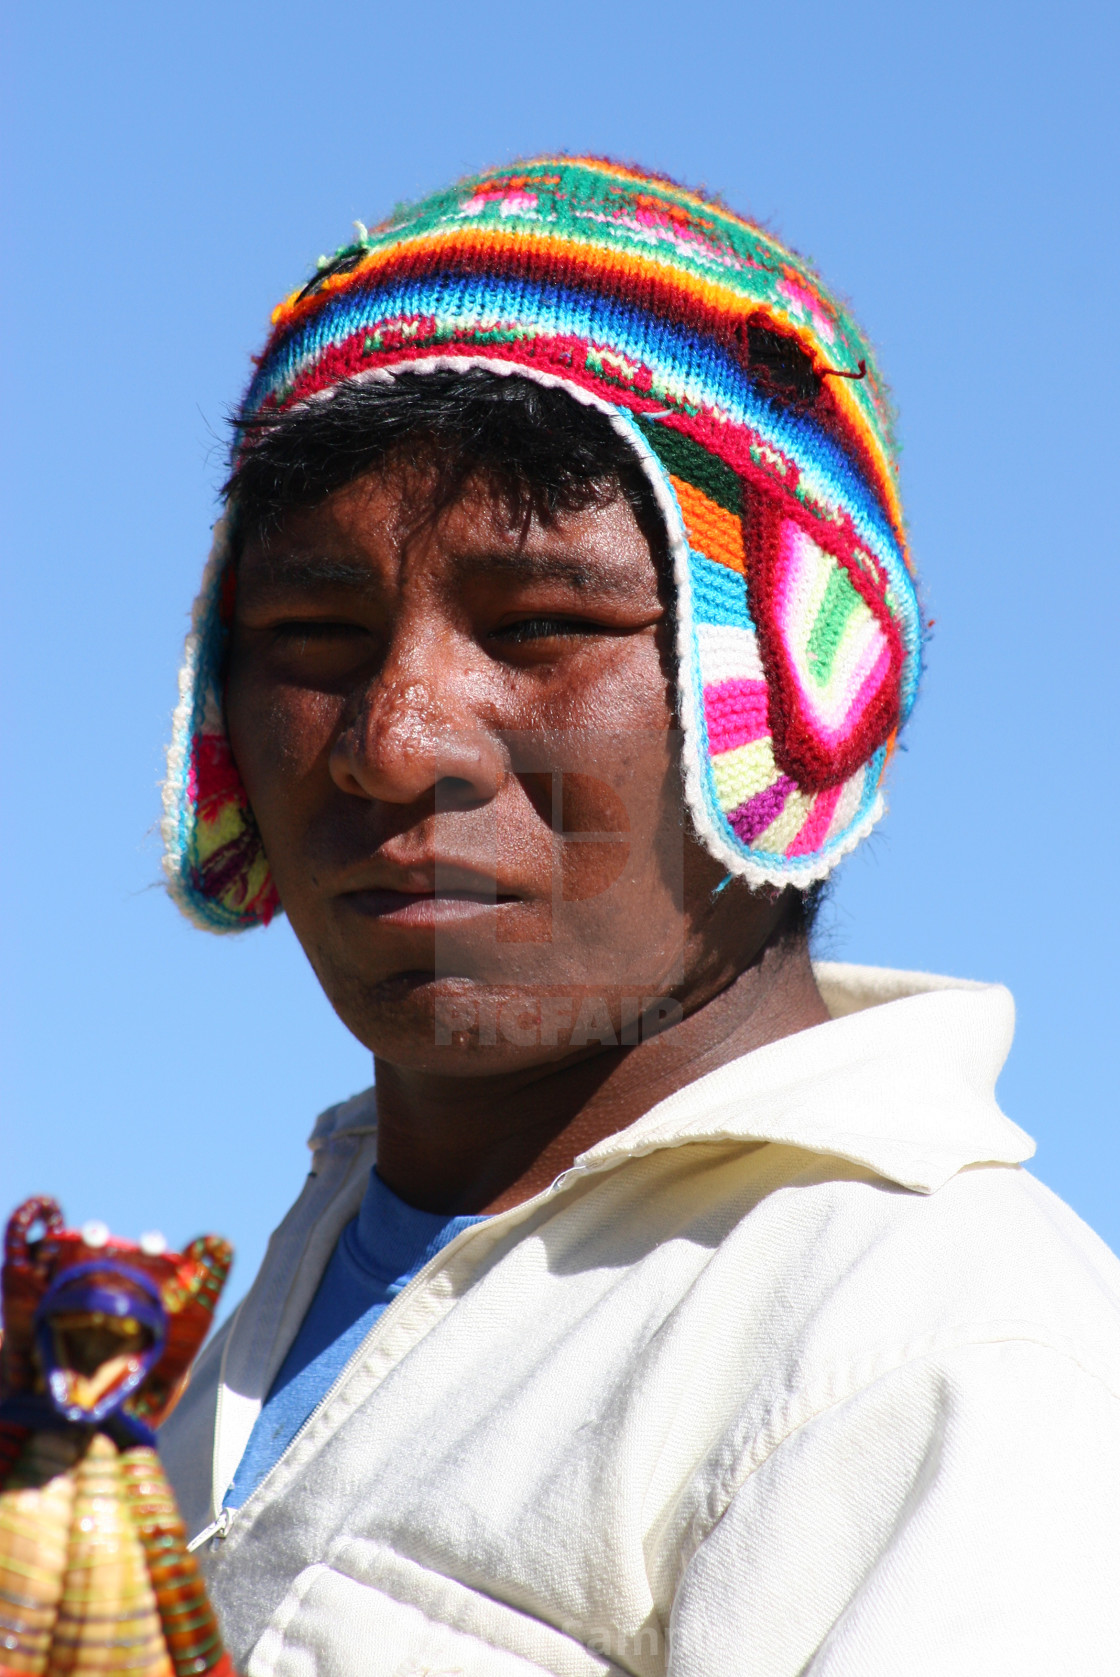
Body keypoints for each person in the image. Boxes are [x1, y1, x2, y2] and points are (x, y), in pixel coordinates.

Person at [159, 157, 1120, 1675]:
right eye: (309, 635)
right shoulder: (273, 1289)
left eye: (543, 625)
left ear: (804, 699)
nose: (398, 733)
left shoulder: (934, 1349)